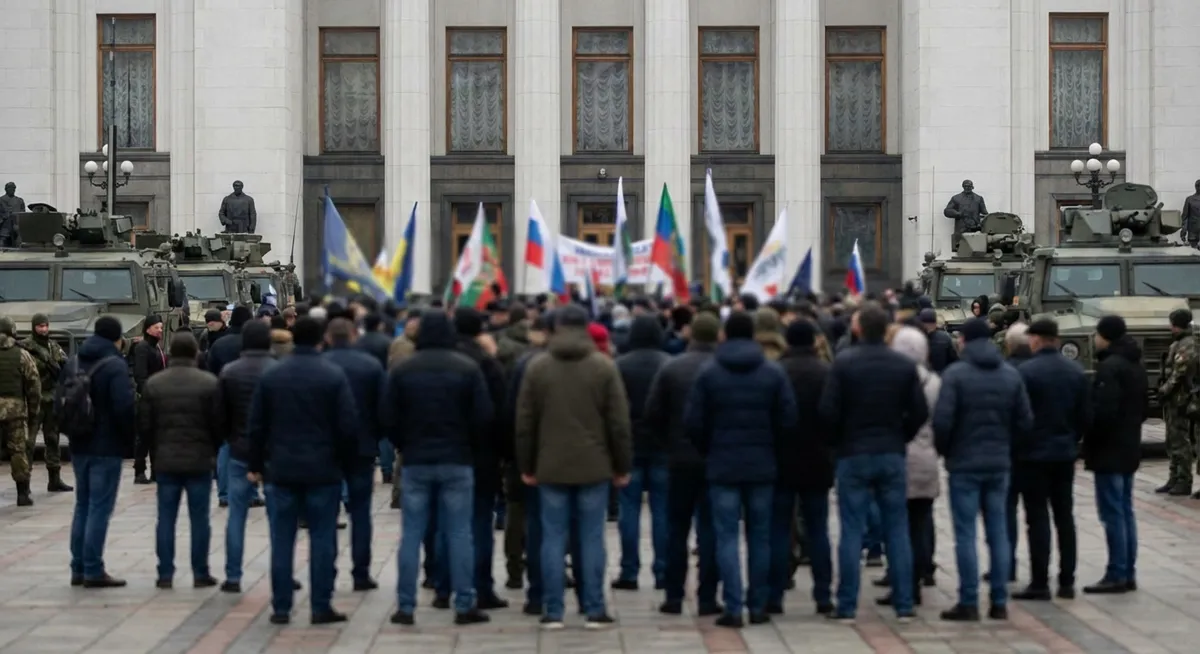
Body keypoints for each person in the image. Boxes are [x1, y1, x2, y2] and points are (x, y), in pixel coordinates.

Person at [515, 305, 632, 630]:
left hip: (550, 465)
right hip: (594, 466)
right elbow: (619, 423)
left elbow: (525, 424)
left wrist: (527, 464)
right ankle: (593, 607)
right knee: (592, 537)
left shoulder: (538, 367)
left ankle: (553, 610)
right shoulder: (603, 367)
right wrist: (622, 465)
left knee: (552, 538)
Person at [684, 311, 798, 628]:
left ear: (724, 335)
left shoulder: (709, 373)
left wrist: (710, 448)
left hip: (722, 466)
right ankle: (758, 604)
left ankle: (733, 606)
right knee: (760, 536)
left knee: (726, 537)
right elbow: (788, 419)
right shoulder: (772, 373)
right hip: (762, 466)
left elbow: (693, 422)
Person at [246, 316, 359, 625]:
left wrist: (255, 464)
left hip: (281, 469)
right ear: (321, 338)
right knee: (323, 539)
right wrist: (347, 465)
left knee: (282, 540)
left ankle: (281, 607)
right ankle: (321, 605)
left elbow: (256, 426)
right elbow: (348, 427)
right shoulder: (332, 375)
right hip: (323, 470)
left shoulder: (273, 375)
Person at [819, 303, 927, 622]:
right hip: (891, 452)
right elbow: (919, 412)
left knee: (851, 530)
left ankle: (847, 604)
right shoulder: (903, 365)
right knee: (897, 530)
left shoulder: (844, 363)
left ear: (858, 329)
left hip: (853, 453)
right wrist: (900, 436)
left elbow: (827, 412)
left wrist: (839, 441)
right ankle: (904, 605)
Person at [385, 312, 492, 626]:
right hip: (457, 459)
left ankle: (406, 605)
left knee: (411, 535)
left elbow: (388, 415)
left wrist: (404, 443)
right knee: (459, 533)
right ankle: (464, 603)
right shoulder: (467, 368)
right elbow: (483, 417)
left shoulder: (403, 369)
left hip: (417, 460)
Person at [932, 318, 1032, 622]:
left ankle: (969, 600)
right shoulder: (1009, 374)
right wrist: (1006, 448)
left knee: (965, 534)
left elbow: (942, 422)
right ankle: (999, 601)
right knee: (998, 532)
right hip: (999, 463)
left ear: (964, 341)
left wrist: (948, 452)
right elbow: (1025, 422)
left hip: (964, 465)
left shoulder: (956, 375)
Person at [645, 312, 723, 617]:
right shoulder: (721, 369)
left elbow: (653, 414)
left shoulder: (672, 368)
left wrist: (668, 444)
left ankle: (673, 595)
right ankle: (707, 598)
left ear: (691, 335)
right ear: (718, 336)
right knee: (710, 529)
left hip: (678, 460)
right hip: (715, 459)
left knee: (676, 529)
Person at [1011, 319, 1091, 601]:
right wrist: (1071, 439)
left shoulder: (1026, 372)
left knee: (1037, 518)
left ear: (1035, 339)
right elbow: (1084, 416)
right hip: (1064, 453)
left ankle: (1040, 582)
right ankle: (1067, 581)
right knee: (1064, 517)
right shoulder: (1076, 371)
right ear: (1056, 340)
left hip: (1033, 456)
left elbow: (1018, 416)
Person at [137, 332, 221, 589]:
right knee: (200, 519)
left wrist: (155, 451)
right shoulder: (209, 383)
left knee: (166, 519)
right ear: (196, 352)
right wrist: (212, 451)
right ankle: (200, 571)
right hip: (199, 462)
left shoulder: (155, 384)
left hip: (166, 462)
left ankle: (165, 573)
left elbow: (145, 426)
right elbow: (219, 424)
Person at [64, 315, 136, 587]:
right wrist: (130, 442)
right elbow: (124, 407)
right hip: (106, 447)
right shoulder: (115, 365)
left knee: (82, 504)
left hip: (79, 444)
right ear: (117, 338)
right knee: (99, 507)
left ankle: (78, 567)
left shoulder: (74, 361)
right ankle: (93, 569)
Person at [876, 325, 941, 606]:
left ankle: (902, 582)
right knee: (922, 520)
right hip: (926, 458)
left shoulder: (891, 380)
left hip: (898, 456)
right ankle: (922, 571)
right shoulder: (935, 382)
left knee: (897, 526)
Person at [771, 320, 833, 615]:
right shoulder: (825, 373)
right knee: (818, 529)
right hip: (818, 461)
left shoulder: (776, 371)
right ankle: (823, 595)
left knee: (780, 528)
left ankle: (775, 592)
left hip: (782, 461)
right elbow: (834, 415)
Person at [450, 308, 510, 610]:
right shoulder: (487, 363)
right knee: (479, 523)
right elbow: (500, 414)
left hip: (445, 454)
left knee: (445, 523)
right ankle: (481, 587)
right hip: (482, 456)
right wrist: (505, 455)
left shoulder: (438, 359)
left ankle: (442, 584)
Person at [1083, 314, 1147, 594]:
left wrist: (1088, 437)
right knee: (1125, 511)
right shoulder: (1136, 365)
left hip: (1109, 450)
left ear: (1105, 335)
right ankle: (1127, 570)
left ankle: (1117, 573)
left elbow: (1103, 413)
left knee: (1112, 514)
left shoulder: (1110, 368)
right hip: (1129, 445)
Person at [322, 317, 387, 592]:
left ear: (328, 337)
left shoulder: (321, 365)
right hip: (362, 448)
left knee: (326, 513)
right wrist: (376, 437)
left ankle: (327, 572)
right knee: (361, 513)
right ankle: (361, 572)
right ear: (353, 335)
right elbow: (384, 408)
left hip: (326, 449)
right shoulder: (370, 365)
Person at [213, 321, 278, 593]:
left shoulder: (230, 371)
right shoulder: (278, 370)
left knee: (236, 516)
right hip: (274, 454)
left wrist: (229, 438)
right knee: (279, 519)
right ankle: (282, 572)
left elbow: (220, 415)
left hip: (239, 450)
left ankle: (233, 575)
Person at [612, 315, 671, 591]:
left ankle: (629, 570)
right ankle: (662, 571)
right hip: (662, 446)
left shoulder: (619, 366)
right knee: (662, 511)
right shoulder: (668, 364)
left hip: (630, 445)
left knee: (629, 510)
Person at [18, 314, 71, 492]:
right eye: (40, 326)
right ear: (34, 327)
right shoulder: (26, 347)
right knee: (29, 442)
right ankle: (24, 482)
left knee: (53, 438)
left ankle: (54, 478)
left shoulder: (53, 346)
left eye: (45, 326)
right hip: (34, 399)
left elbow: (65, 365)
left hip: (52, 398)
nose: (43, 329)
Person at [1158, 308, 1198, 496]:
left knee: (1180, 440)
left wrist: (1165, 390)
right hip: (1175, 400)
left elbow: (1180, 372)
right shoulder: (1180, 343)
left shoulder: (1187, 344)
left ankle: (1183, 480)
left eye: (1172, 324)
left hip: (1182, 399)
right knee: (1172, 439)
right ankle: (1174, 477)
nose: (1170, 328)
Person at [0, 317, 39, 506]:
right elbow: (34, 384)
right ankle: (22, 493)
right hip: (15, 410)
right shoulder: (22, 354)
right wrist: (33, 411)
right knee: (18, 450)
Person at [131, 315, 168, 484]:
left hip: (159, 399)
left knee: (157, 438)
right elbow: (141, 376)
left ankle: (156, 471)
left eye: (161, 327)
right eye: (156, 327)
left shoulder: (157, 348)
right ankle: (139, 471)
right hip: (147, 400)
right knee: (144, 438)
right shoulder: (143, 348)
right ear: (148, 329)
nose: (160, 330)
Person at [917, 309, 957, 373]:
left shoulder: (915, 338)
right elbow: (953, 360)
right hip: (940, 375)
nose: (928, 326)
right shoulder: (945, 338)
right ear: (935, 323)